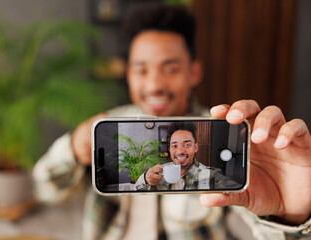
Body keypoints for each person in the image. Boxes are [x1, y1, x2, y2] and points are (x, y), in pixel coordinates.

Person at [33, 3, 311, 239]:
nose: (154, 84)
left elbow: (260, 220)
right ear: (128, 74)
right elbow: (41, 190)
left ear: (194, 73)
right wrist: (72, 149)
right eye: (141, 70)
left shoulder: (222, 137)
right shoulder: (104, 130)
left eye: (171, 69)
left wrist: (289, 215)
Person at [135, 122, 241, 191]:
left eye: (187, 145)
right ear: (170, 150)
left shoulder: (211, 175)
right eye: (174, 146)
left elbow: (234, 190)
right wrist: (145, 179)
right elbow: (135, 192)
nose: (180, 151)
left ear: (195, 148)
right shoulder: (158, 173)